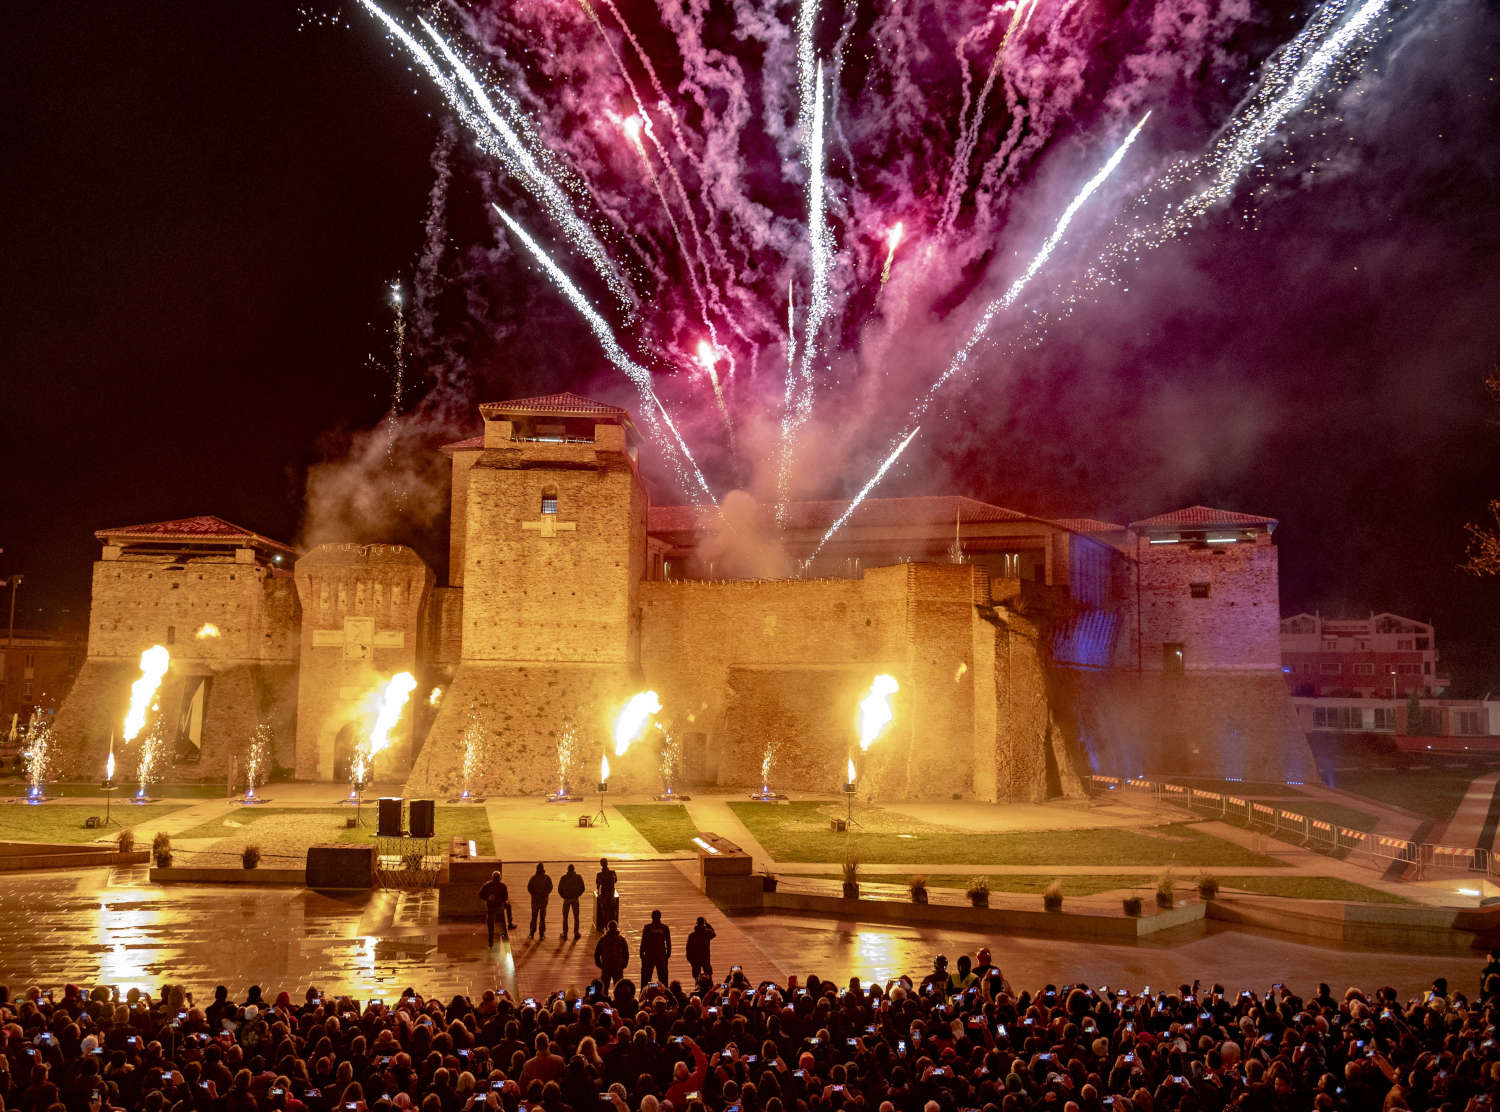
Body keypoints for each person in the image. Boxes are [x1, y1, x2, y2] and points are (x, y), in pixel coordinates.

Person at [639, 908, 671, 985]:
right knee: (663, 978)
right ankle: (660, 988)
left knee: (646, 978)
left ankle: (650, 987)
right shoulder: (664, 928)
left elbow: (643, 941)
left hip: (649, 954)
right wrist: (668, 953)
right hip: (661, 954)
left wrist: (641, 952)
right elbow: (668, 942)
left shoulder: (647, 927)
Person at [593, 919, 628, 988]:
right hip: (618, 968)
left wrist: (600, 965)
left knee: (604, 987)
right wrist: (623, 965)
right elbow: (626, 954)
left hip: (606, 967)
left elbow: (597, 954)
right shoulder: (621, 940)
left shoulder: (603, 939)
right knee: (619, 987)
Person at [478, 870, 510, 946]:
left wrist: (487, 898)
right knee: (509, 906)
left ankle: (490, 938)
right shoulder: (503, 886)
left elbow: (480, 895)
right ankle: (510, 922)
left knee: (491, 922)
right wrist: (502, 901)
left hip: (490, 906)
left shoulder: (487, 885)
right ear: (500, 878)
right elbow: (505, 897)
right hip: (499, 906)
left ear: (492, 877)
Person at [557, 864, 585, 940]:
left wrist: (564, 896)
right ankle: (576, 933)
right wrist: (577, 895)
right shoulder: (578, 877)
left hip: (566, 899)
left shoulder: (564, 878)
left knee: (565, 917)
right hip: (575, 899)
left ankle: (565, 933)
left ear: (568, 870)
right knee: (576, 917)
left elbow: (559, 889)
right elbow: (583, 888)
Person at [686, 916, 716, 984]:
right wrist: (707, 924)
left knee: (696, 975)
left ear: (696, 923)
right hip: (705, 957)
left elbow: (688, 947)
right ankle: (709, 985)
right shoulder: (708, 933)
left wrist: (689, 957)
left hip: (695, 957)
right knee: (708, 973)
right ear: (703, 923)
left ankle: (697, 985)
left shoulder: (692, 935)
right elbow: (714, 934)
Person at [527, 863, 553, 939]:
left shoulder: (533, 878)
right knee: (542, 918)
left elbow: (529, 887)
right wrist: (545, 894)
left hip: (535, 901)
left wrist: (534, 894)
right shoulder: (547, 878)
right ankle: (541, 934)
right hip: (543, 901)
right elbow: (550, 887)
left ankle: (532, 933)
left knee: (534, 917)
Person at [595, 857, 619, 932]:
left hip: (605, 895)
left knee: (605, 912)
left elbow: (598, 885)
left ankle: (605, 927)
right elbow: (615, 881)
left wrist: (598, 894)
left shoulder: (599, 875)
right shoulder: (612, 873)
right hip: (610, 895)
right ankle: (612, 927)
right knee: (611, 912)